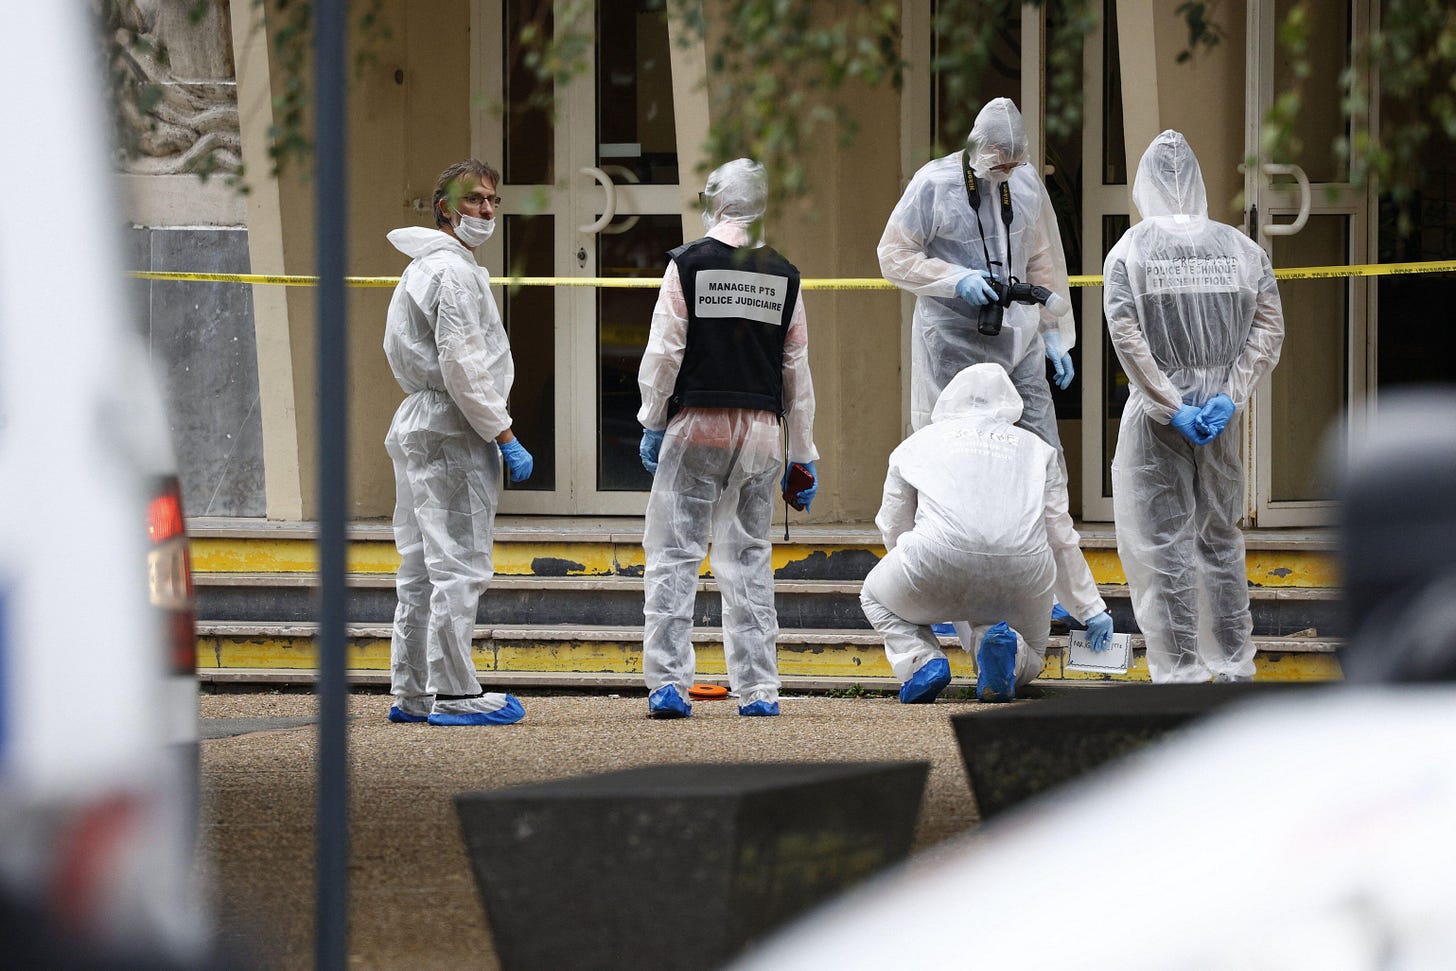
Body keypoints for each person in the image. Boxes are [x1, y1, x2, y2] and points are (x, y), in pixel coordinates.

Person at [636, 158, 819, 719]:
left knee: (674, 556)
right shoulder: (784, 274)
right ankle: (759, 689)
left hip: (696, 425)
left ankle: (669, 684)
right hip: (760, 434)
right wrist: (803, 453)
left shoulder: (688, 265)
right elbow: (796, 370)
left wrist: (652, 420)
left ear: (714, 201)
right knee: (749, 560)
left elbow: (665, 352)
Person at [1104, 130, 1284, 683]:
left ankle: (1180, 671)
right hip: (1219, 418)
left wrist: (1168, 403)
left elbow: (1126, 335)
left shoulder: (1131, 250)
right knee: (1221, 538)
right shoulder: (1242, 249)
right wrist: (1229, 395)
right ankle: (1233, 664)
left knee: (1166, 545)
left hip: (1159, 421)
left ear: (1145, 184)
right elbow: (1268, 328)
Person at [860, 363, 1113, 703]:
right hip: (1023, 571)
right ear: (1010, 403)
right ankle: (1008, 653)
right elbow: (1059, 538)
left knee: (875, 597)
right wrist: (1090, 608)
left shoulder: (916, 444)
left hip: (934, 556)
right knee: (1030, 649)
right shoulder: (1038, 449)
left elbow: (894, 524)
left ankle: (921, 661)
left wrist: (916, 572)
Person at [383, 158, 534, 726]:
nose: (486, 210)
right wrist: (504, 432)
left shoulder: (424, 267)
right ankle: (453, 692)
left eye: (493, 200)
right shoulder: (453, 273)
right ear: (444, 207)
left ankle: (413, 691)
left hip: (423, 420)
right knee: (459, 563)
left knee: (421, 564)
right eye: (474, 199)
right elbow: (463, 363)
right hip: (453, 427)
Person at [877, 97, 1075, 443]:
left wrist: (1052, 330)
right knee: (957, 447)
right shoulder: (935, 184)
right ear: (981, 150)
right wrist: (955, 279)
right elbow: (893, 255)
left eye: (1015, 164)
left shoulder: (1026, 183)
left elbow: (1039, 258)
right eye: (1001, 165)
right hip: (954, 341)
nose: (1008, 172)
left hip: (1019, 339)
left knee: (1039, 445)